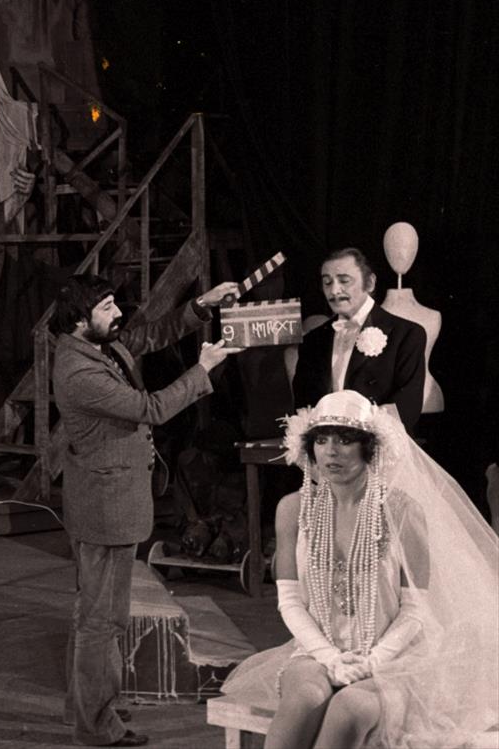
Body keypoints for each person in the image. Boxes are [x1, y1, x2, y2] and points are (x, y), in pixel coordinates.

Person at [222, 390, 499, 749]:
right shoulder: (292, 509)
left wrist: (371, 662)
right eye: (322, 440)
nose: (331, 451)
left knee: (350, 708)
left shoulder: (403, 511)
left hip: (395, 656)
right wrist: (331, 658)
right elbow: (289, 601)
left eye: (345, 439)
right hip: (317, 649)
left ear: (370, 448)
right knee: (305, 698)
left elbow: (414, 610)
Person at [52, 274, 242, 747]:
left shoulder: (95, 346)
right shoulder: (80, 373)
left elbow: (150, 336)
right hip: (105, 506)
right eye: (107, 307)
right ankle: (97, 727)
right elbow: (152, 408)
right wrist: (202, 370)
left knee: (94, 616)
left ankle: (84, 710)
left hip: (105, 498)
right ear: (79, 320)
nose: (119, 314)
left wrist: (202, 304)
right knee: (102, 622)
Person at [292, 247, 426, 432]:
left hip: (379, 444)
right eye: (327, 282)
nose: (334, 290)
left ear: (369, 283)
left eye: (344, 281)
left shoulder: (407, 334)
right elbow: (302, 405)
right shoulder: (313, 341)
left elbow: (407, 406)